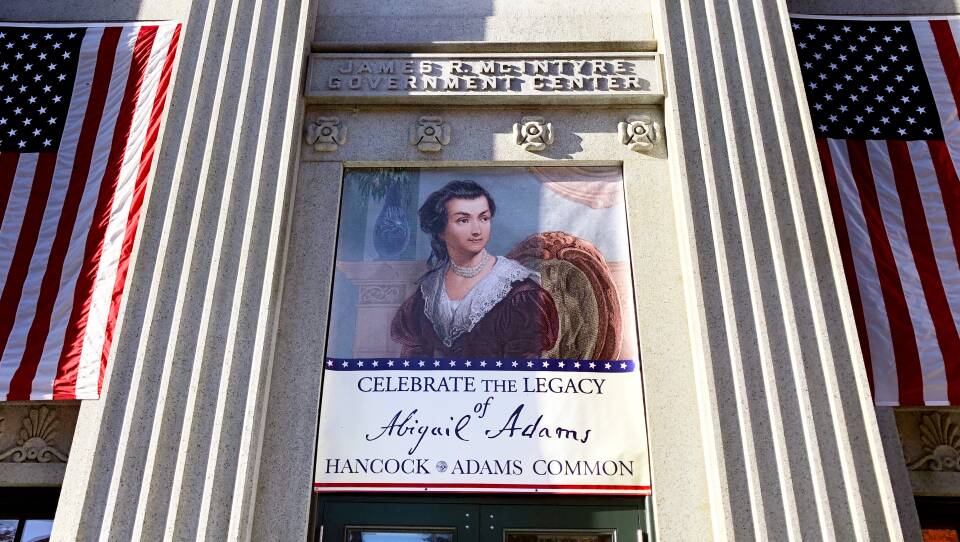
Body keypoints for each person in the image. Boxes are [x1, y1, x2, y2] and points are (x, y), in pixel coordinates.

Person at [391, 180, 558, 358]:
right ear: (440, 230)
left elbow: (522, 372)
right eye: (463, 220)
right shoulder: (428, 292)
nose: (477, 230)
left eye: (483, 218)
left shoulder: (520, 294)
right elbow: (412, 362)